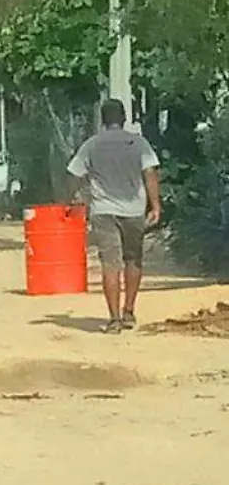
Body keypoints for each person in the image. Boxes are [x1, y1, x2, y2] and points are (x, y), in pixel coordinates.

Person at [66, 99, 162, 334]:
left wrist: (74, 197)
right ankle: (129, 310)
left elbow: (73, 173)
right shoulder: (138, 144)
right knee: (133, 260)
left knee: (110, 265)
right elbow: (150, 173)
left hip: (104, 211)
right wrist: (156, 206)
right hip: (133, 211)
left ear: (102, 119)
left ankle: (114, 319)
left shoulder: (92, 145)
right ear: (124, 118)